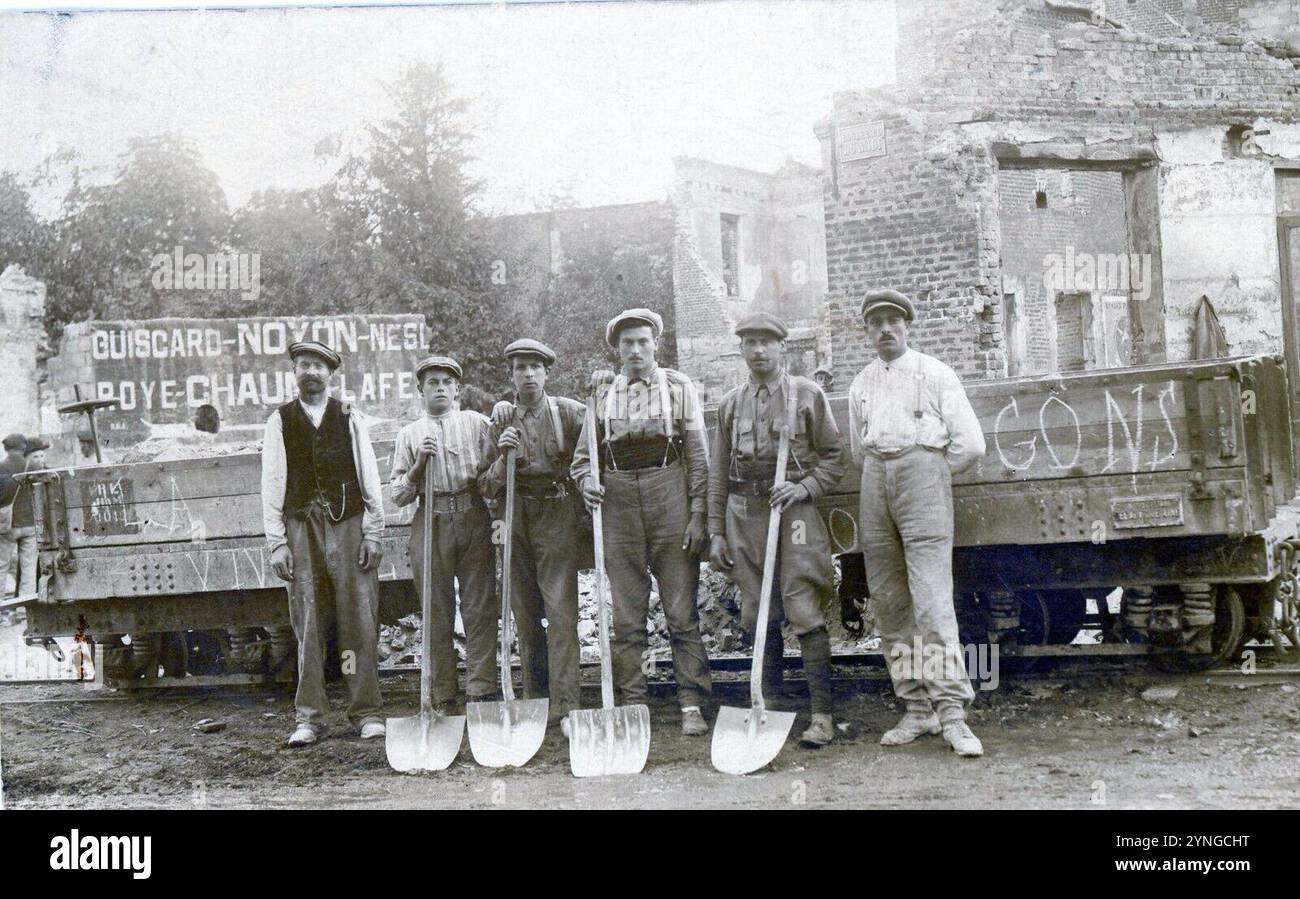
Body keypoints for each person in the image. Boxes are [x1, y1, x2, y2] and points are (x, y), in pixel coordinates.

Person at [848, 289, 987, 758]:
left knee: (930, 601)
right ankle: (916, 708)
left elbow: (971, 445)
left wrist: (928, 474)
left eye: (893, 321)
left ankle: (952, 713)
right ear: (866, 331)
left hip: (923, 476)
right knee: (889, 603)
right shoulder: (861, 383)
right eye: (876, 322)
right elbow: (856, 447)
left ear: (907, 326)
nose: (885, 329)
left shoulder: (936, 373)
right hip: (875, 480)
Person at [571, 308, 714, 736]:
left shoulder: (678, 387)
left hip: (668, 493)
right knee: (627, 616)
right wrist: (587, 484)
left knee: (681, 612)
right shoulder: (602, 394)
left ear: (656, 345)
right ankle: (634, 701)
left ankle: (691, 701)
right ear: (616, 349)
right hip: (617, 503)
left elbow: (699, 457)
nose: (635, 350)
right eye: (627, 343)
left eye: (643, 342)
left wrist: (697, 514)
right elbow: (582, 461)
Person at [708, 313, 846, 746]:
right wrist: (716, 530)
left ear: (782, 348)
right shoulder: (730, 404)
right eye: (749, 342)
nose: (758, 350)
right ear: (742, 350)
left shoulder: (806, 396)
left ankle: (821, 715)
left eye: (766, 342)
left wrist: (804, 487)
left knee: (803, 605)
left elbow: (836, 458)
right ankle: (766, 706)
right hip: (744, 513)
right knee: (757, 611)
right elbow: (716, 473)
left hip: (794, 514)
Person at [261, 340, 387, 747]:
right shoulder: (279, 421)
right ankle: (310, 718)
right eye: (302, 364)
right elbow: (272, 484)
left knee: (358, 618)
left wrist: (373, 531)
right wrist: (277, 543)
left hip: (348, 525)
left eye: (317, 364)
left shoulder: (349, 418)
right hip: (301, 528)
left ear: (330, 373)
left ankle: (366, 712)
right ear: (294, 372)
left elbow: (370, 478)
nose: (309, 371)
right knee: (308, 621)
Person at [482, 339, 587, 733]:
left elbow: (594, 447)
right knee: (524, 611)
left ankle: (566, 705)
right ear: (510, 375)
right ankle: (534, 699)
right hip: (513, 513)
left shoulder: (569, 413)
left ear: (546, 373)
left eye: (534, 367)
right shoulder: (499, 422)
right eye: (520, 367)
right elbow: (484, 484)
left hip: (556, 511)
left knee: (560, 611)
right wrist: (502, 457)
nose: (527, 374)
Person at [389, 355, 500, 715]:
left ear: (457, 389)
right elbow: (398, 495)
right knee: (435, 608)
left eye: (446, 382)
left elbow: (498, 464)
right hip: (430, 518)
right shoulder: (409, 434)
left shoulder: (477, 423)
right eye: (431, 382)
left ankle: (482, 690)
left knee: (479, 605)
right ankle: (442, 694)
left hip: (472, 514)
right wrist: (419, 465)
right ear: (420, 390)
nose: (439, 388)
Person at [0, 434, 38, 605]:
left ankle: (1, 608)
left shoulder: (1, 467)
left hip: (6, 525)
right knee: (28, 568)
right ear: (24, 448)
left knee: (1, 567)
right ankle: (24, 608)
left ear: (6, 448)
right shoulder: (34, 466)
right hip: (30, 524)